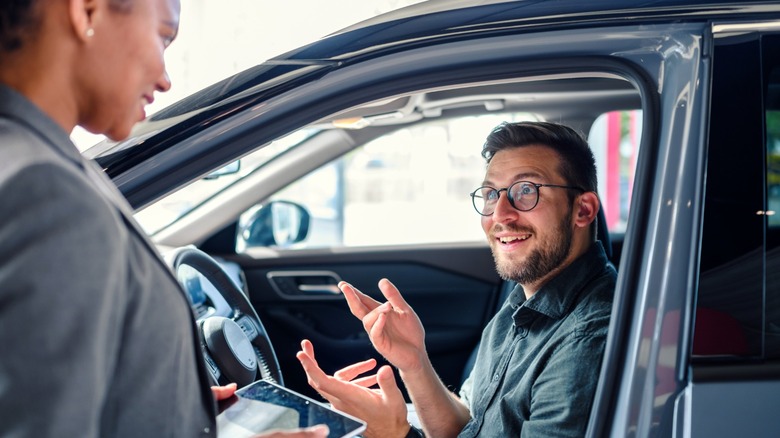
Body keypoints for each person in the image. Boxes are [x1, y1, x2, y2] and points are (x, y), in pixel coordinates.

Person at [0, 1, 326, 437]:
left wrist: (173, 413)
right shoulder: (44, 192)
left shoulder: (35, 161)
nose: (166, 79)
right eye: (163, 36)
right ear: (86, 11)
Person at [297, 121, 616, 437]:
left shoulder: (586, 337)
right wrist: (415, 362)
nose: (500, 214)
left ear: (583, 211)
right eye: (491, 194)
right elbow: (470, 424)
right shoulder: (524, 300)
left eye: (526, 191)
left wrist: (393, 432)